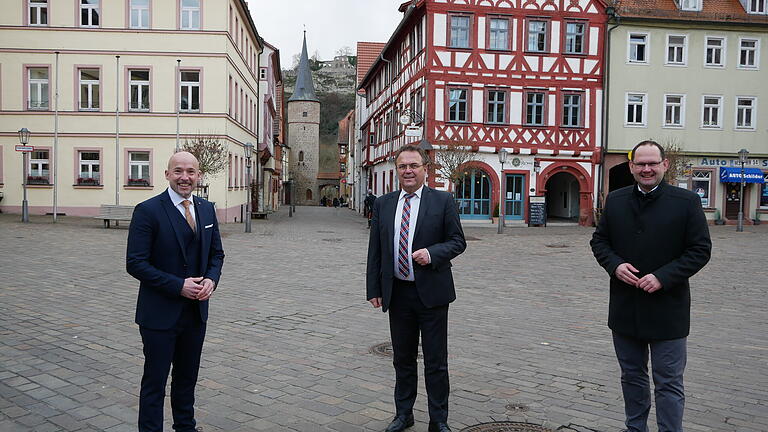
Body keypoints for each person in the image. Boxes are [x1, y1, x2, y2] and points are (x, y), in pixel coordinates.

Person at [591, 140, 711, 432]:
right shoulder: (616, 200)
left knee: (668, 382)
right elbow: (600, 241)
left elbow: (700, 250)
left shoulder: (686, 202)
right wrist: (615, 265)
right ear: (631, 167)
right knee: (631, 376)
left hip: (668, 310)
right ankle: (636, 428)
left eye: (652, 163)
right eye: (640, 164)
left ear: (664, 165)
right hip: (625, 308)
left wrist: (663, 276)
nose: (647, 169)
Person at [366, 144, 466, 432]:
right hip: (398, 293)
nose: (408, 171)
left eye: (414, 166)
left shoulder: (443, 201)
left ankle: (438, 420)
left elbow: (458, 241)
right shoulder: (384, 204)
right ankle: (403, 414)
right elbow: (376, 251)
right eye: (402, 166)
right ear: (397, 170)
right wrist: (374, 288)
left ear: (425, 169)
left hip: (432, 294)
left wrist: (432, 254)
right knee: (403, 359)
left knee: (436, 361)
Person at [127, 151, 225, 432]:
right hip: (159, 313)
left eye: (191, 172)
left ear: (199, 176)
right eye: (179, 171)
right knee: (155, 382)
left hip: (195, 312)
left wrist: (211, 280)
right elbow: (135, 263)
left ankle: (185, 427)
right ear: (167, 174)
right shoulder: (148, 210)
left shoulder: (206, 209)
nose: (185, 177)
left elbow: (217, 255)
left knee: (186, 378)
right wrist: (177, 285)